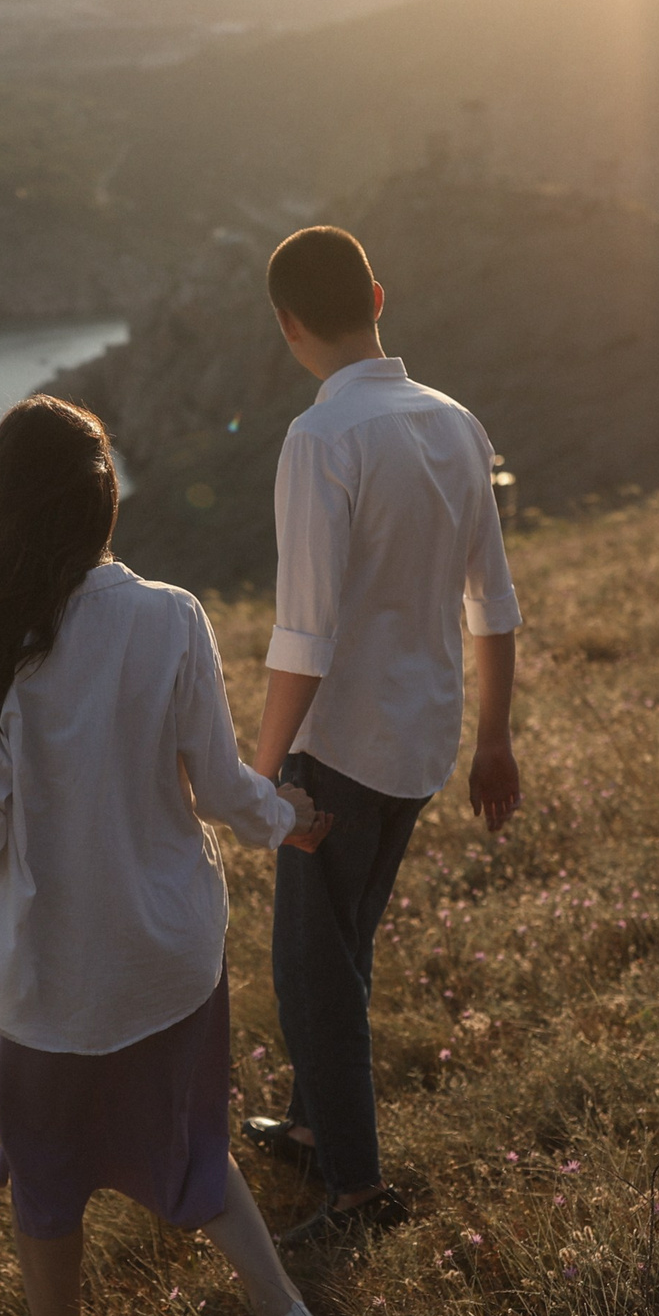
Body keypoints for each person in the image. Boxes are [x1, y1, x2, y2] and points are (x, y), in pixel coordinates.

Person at [0, 395, 334, 1316]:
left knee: (46, 1178)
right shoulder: (167, 617)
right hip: (167, 955)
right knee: (190, 1142)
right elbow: (221, 787)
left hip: (49, 981)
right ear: (102, 507)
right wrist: (287, 816)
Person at [241, 225, 525, 1246]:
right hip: (424, 741)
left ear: (288, 326)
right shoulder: (453, 421)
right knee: (343, 945)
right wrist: (494, 740)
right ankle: (317, 1128)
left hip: (337, 749)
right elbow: (492, 601)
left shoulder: (320, 441)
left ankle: (355, 1193)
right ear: (376, 294)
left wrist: (259, 772)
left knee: (313, 974)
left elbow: (303, 635)